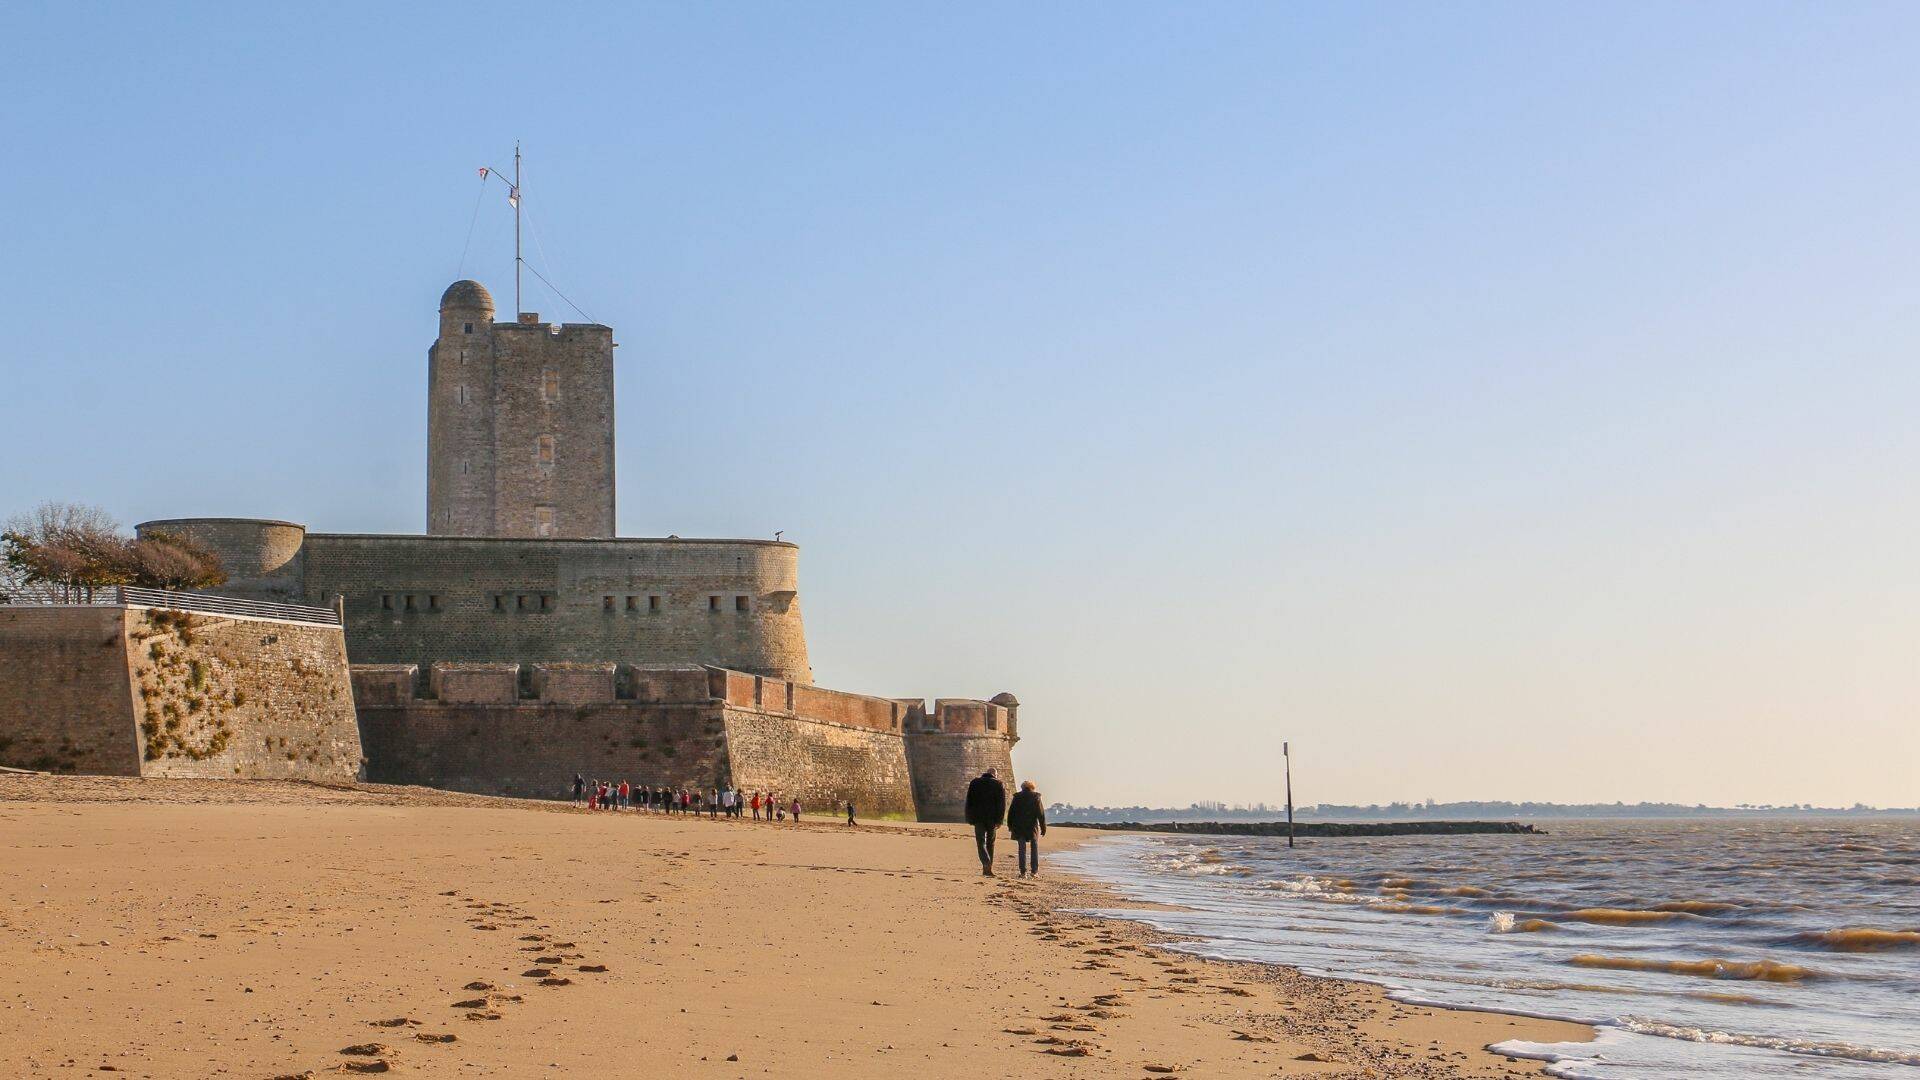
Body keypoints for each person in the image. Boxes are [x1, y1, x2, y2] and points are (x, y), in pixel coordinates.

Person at [964, 768, 1007, 876]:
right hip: (992, 819)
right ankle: (988, 866)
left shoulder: (974, 783)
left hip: (978, 818)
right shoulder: (998, 784)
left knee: (980, 841)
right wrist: (1000, 820)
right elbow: (1002, 804)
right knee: (990, 843)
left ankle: (985, 863)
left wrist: (969, 817)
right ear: (994, 774)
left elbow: (969, 801)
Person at [1006, 780, 1047, 877]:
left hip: (1019, 826)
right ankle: (1034, 871)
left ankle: (1023, 872)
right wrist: (1043, 827)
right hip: (1032, 826)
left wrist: (1010, 826)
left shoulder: (1017, 797)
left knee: (1022, 849)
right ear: (1033, 787)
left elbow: (1011, 813)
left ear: (1022, 787)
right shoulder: (1036, 797)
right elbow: (1041, 814)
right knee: (1034, 848)